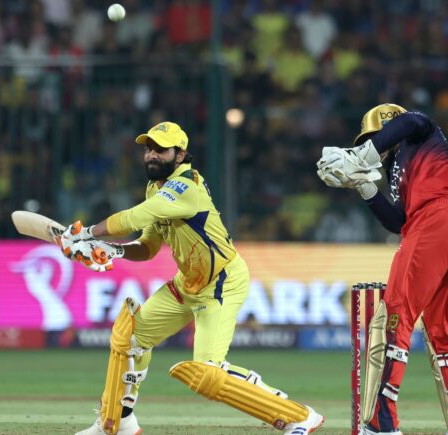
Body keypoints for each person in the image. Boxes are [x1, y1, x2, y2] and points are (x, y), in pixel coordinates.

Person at [59, 122, 324, 435]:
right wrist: (114, 251)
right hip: (187, 284)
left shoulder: (186, 187)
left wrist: (88, 233)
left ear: (180, 154)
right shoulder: (156, 188)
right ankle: (116, 422)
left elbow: (135, 217)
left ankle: (298, 416)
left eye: (160, 149)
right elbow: (148, 247)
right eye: (148, 149)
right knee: (129, 337)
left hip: (221, 283)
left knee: (207, 375)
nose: (151, 155)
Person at [316, 104, 448, 435]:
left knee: (395, 314)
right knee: (441, 324)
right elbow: (398, 221)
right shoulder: (403, 169)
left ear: (388, 129)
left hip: (440, 218)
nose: (377, 148)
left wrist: (360, 155)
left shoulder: (418, 133)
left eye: (375, 138)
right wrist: (364, 186)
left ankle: (381, 422)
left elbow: (411, 120)